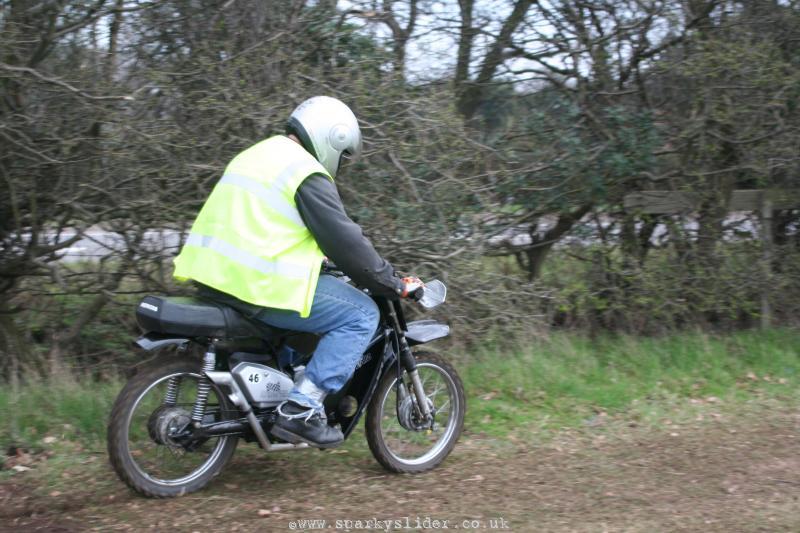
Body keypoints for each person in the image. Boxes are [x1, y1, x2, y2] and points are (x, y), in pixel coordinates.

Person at [172, 96, 422, 448]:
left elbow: (259, 224)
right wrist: (390, 281)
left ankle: (277, 393)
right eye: (344, 154)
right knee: (362, 314)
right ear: (333, 138)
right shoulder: (304, 171)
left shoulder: (255, 154)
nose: (341, 163)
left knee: (309, 308)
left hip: (213, 276)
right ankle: (301, 408)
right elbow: (345, 241)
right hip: (256, 285)